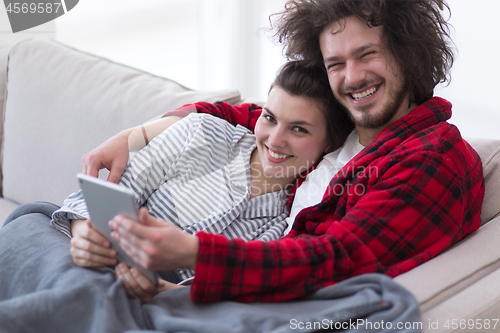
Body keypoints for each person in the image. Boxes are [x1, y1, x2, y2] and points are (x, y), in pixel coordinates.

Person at [84, 0, 484, 303]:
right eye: (335, 64)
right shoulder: (344, 125)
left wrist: (196, 253)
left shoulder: (434, 158)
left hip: (276, 307)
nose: (352, 76)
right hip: (229, 288)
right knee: (39, 224)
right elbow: (247, 115)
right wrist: (135, 135)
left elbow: (336, 260)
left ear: (407, 51)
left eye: (367, 54)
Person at [51, 60, 353, 301]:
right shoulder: (203, 133)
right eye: (270, 118)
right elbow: (97, 199)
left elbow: (227, 293)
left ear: (328, 144)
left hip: (151, 302)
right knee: (29, 226)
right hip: (90, 258)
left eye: (298, 129)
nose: (275, 140)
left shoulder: (286, 223)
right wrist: (82, 237)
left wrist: (159, 290)